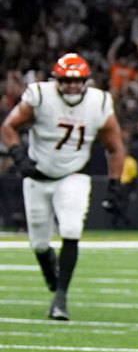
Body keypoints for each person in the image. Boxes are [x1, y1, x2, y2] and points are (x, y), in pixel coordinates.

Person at [1, 53, 126, 320]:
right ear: (56, 80)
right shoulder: (40, 95)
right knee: (39, 244)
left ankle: (61, 298)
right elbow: (9, 127)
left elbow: (115, 147)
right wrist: (18, 155)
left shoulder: (99, 102)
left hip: (73, 174)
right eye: (67, 81)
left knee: (71, 229)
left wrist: (116, 184)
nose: (72, 86)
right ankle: (52, 276)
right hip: (38, 176)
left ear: (86, 81)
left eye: (77, 81)